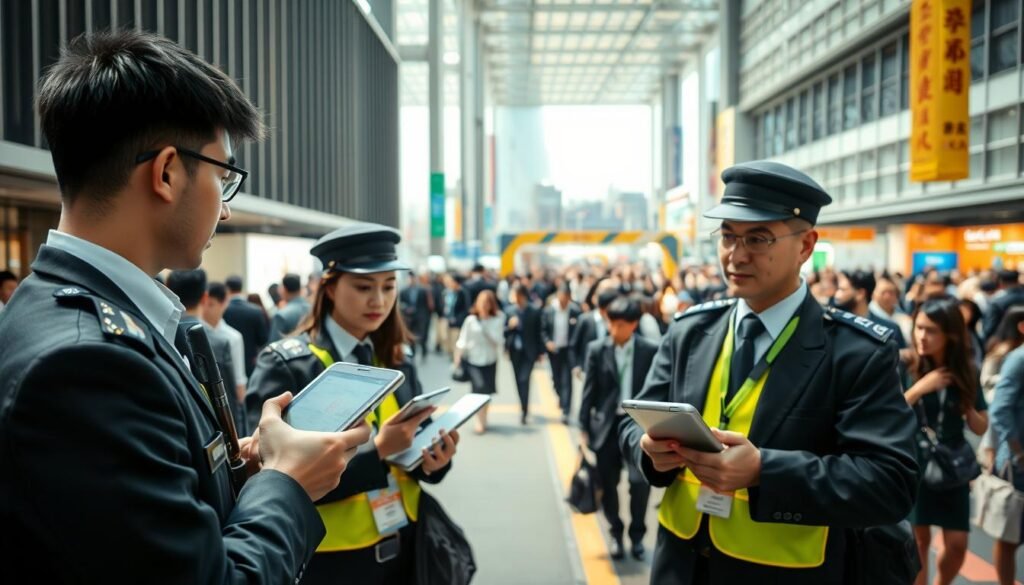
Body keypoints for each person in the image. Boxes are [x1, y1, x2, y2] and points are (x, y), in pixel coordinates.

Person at [0, 30, 371, 582]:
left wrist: (239, 471)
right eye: (224, 178)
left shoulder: (60, 310)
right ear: (167, 172)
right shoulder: (86, 365)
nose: (224, 210)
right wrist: (287, 484)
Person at [620, 160, 919, 584]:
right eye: (727, 236)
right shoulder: (690, 332)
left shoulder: (855, 353)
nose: (736, 255)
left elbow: (891, 482)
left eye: (758, 238)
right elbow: (630, 428)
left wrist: (765, 470)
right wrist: (650, 451)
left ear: (805, 245)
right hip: (679, 565)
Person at [245, 223, 459, 584]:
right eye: (364, 287)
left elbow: (415, 464)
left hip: (405, 549)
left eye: (389, 287)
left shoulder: (395, 358)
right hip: (328, 564)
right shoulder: (288, 364)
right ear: (329, 287)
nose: (379, 300)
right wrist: (378, 451)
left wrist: (434, 459)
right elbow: (266, 478)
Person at [903, 297, 988, 585]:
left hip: (952, 464)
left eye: (931, 330)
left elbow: (980, 426)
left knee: (957, 543)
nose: (922, 336)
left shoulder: (966, 370)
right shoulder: (906, 364)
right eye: (919, 328)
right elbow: (886, 416)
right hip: (914, 461)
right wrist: (919, 389)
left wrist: (966, 406)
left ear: (950, 334)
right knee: (918, 540)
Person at [579, 297, 658, 562]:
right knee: (608, 484)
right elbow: (588, 391)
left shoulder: (649, 350)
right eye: (610, 322)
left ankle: (637, 535)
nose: (613, 328)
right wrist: (583, 428)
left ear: (634, 324)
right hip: (606, 427)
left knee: (640, 483)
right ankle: (615, 532)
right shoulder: (597, 349)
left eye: (620, 323)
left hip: (638, 428)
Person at [166, 269, 243, 430]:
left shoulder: (160, 337)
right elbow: (229, 401)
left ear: (168, 289)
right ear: (205, 297)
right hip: (214, 432)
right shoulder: (220, 342)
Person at [989, 342, 1024, 585]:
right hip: (1018, 465)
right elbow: (1000, 409)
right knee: (1010, 536)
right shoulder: (1019, 358)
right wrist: (1019, 453)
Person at [454, 289, 506, 433]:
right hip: (473, 360)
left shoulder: (499, 318)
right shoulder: (470, 320)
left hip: (490, 359)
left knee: (486, 392)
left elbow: (499, 341)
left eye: (486, 303)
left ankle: (484, 416)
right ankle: (479, 420)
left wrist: (485, 328)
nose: (483, 306)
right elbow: (462, 340)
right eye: (481, 303)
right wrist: (458, 356)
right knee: (478, 389)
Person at [203, 280, 250, 435]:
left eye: (211, 304)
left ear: (224, 303)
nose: (206, 309)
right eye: (205, 304)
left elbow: (239, 379)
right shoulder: (196, 332)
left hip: (228, 402)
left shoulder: (233, 337)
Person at [833, 269, 907, 348]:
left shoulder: (889, 330)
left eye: (843, 290)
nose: (837, 295)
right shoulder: (833, 326)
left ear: (860, 294)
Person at [542, 283, 583, 424]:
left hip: (568, 350)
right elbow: (543, 330)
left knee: (567, 380)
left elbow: (579, 333)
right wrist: (547, 342)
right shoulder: (549, 311)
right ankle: (561, 396)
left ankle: (566, 410)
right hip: (554, 351)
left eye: (566, 298)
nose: (563, 300)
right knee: (556, 379)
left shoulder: (575, 311)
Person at [506, 283, 544, 425]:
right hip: (515, 351)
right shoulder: (510, 311)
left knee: (524, 379)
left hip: (530, 351)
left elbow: (539, 332)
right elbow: (504, 332)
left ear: (521, 296)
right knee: (518, 380)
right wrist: (510, 326)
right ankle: (523, 406)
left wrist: (541, 352)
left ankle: (525, 409)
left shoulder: (534, 311)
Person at [223, 274, 269, 376]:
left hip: (228, 361)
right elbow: (263, 339)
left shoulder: (223, 310)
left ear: (227, 288)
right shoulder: (256, 310)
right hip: (250, 362)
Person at [268, 273, 311, 342]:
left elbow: (274, 344)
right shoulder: (313, 309)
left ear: (284, 289)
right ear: (300, 289)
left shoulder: (281, 315)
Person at [400, 271, 433, 358]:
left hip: (421, 317)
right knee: (411, 335)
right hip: (409, 318)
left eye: (413, 278)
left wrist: (426, 317)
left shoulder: (423, 290)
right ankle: (412, 351)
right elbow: (401, 304)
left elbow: (428, 305)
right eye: (410, 278)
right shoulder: (404, 291)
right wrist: (406, 309)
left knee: (421, 335)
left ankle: (423, 349)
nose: (411, 280)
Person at [984, 270, 1024, 342]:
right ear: (1017, 280)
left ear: (1001, 282)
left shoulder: (996, 302)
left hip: (1003, 343)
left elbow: (989, 329)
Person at [442, 274, 471, 355]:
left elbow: (466, 309)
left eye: (451, 282)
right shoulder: (451, 292)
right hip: (449, 321)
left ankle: (456, 359)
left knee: (455, 342)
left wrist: (457, 319)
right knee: (449, 341)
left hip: (458, 323)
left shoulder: (463, 293)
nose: (450, 284)